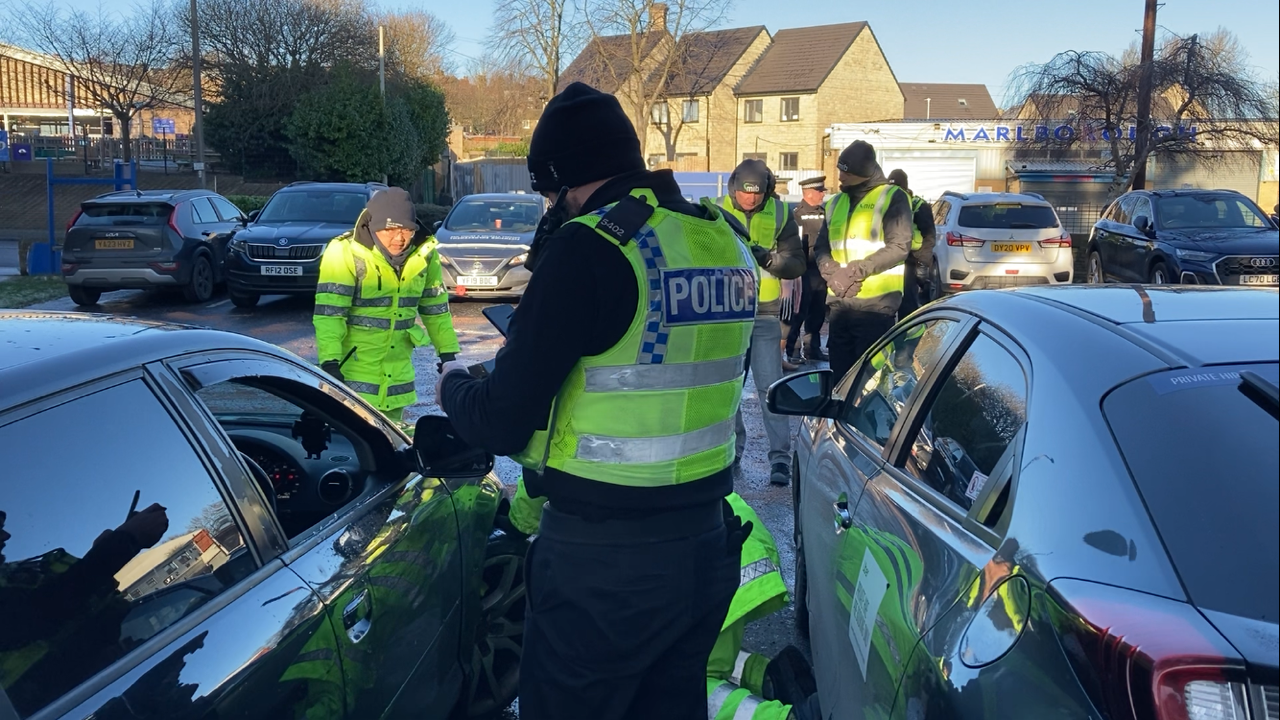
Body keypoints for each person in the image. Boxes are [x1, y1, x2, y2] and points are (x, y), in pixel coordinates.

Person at [435, 82, 753, 720]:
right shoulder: (722, 237)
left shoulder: (593, 246)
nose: (551, 206)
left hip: (605, 566)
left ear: (566, 181)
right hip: (704, 545)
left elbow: (504, 416)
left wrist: (452, 387)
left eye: (549, 191)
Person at [0, 505, 170, 716]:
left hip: (90, 695)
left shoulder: (15, 574)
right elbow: (39, 612)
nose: (6, 536)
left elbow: (71, 606)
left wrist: (104, 553)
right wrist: (125, 541)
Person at [313, 187, 460, 423]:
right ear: (373, 226)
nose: (399, 238)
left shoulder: (425, 254)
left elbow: (436, 309)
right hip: (353, 374)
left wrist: (449, 355)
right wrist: (330, 362)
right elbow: (330, 314)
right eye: (390, 229)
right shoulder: (344, 252)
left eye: (406, 230)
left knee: (392, 445)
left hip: (398, 376)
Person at [717, 159, 806, 486]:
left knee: (771, 389)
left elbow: (797, 264)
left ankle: (780, 459)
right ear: (734, 187)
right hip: (726, 317)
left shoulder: (781, 215)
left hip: (765, 315)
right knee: (728, 389)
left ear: (767, 190)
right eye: (744, 193)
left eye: (757, 194)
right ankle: (732, 452)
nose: (750, 200)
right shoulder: (715, 211)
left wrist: (769, 259)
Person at [705, 493, 821, 720]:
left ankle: (791, 718)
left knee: (685, 686)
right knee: (695, 655)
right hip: (729, 541)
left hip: (708, 564)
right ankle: (772, 677)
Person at [814, 140, 913, 382]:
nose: (841, 176)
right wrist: (831, 271)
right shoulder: (835, 202)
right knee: (839, 380)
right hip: (840, 304)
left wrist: (857, 270)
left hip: (875, 307)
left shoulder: (892, 197)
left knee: (871, 382)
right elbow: (821, 246)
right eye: (840, 170)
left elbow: (900, 246)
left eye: (847, 171)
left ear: (863, 172)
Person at [785, 176, 830, 366]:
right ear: (809, 193)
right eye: (820, 191)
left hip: (821, 272)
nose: (823, 194)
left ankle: (813, 349)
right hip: (803, 272)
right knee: (798, 313)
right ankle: (792, 350)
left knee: (818, 313)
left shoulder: (826, 213)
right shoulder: (796, 214)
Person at [886, 169, 936, 319]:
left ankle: (908, 339)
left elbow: (929, 237)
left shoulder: (918, 206)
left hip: (911, 260)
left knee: (908, 305)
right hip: (890, 261)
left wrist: (923, 264)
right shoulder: (886, 204)